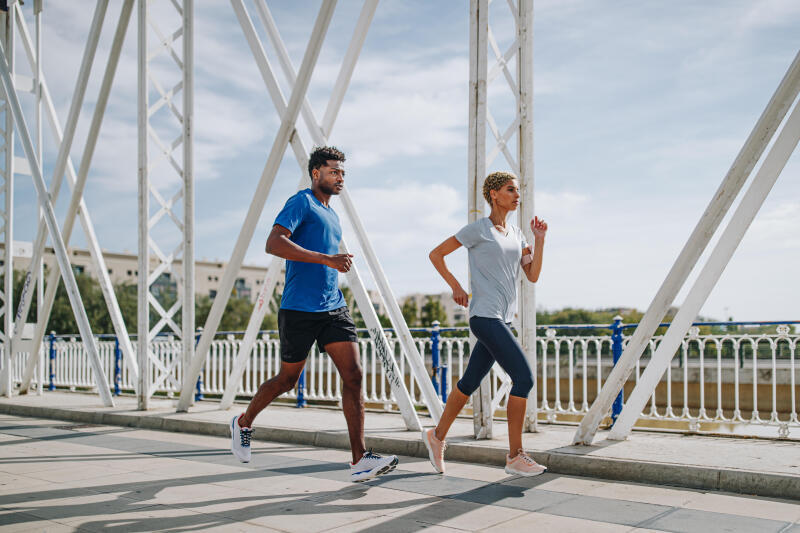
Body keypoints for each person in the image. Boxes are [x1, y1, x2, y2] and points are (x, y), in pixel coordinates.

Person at [230, 146, 398, 482]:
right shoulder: (301, 202)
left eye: (343, 173)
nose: (340, 178)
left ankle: (359, 459)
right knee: (287, 380)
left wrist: (335, 263)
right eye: (334, 171)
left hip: (333, 306)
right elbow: (274, 243)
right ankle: (244, 422)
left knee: (354, 376)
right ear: (315, 173)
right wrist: (327, 259)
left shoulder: (333, 215)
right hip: (298, 309)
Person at [422, 171, 548, 476]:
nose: (517, 195)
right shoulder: (478, 230)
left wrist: (540, 241)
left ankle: (436, 437)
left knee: (469, 382)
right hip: (484, 316)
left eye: (518, 190)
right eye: (510, 190)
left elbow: (532, 275)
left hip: (504, 318)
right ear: (494, 194)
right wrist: (455, 286)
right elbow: (436, 254)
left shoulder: (518, 234)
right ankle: (515, 456)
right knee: (524, 379)